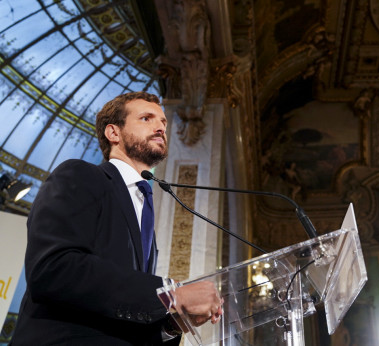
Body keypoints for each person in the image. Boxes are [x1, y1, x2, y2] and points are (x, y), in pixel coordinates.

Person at [11, 92, 223, 345]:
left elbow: (119, 307)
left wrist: (171, 325)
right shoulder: (79, 175)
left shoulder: (145, 209)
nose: (160, 128)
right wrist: (170, 295)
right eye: (146, 118)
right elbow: (53, 269)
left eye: (164, 123)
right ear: (114, 133)